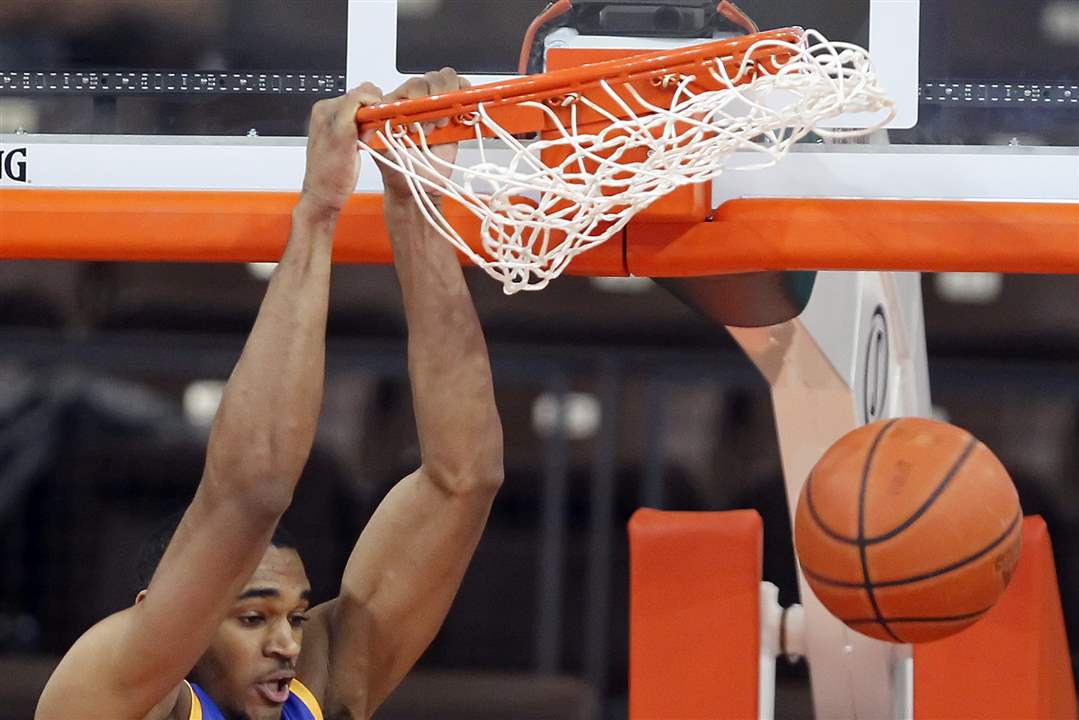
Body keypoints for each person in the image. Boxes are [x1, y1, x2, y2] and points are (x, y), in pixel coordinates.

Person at [36, 67, 504, 720]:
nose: (286, 644)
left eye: (296, 617)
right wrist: (316, 212)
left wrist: (417, 205)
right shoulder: (103, 696)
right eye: (253, 617)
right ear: (165, 614)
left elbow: (465, 478)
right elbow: (252, 491)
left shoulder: (316, 692)